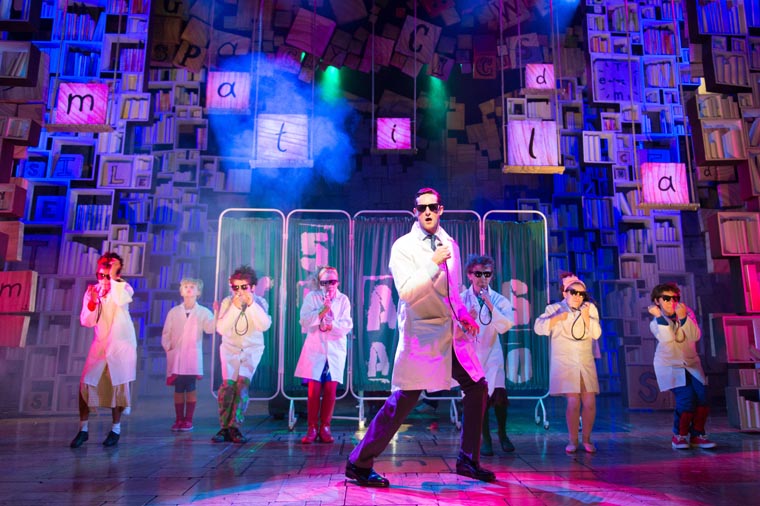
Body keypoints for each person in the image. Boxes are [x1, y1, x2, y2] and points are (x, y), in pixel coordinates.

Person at [345, 187, 493, 487]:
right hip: (422, 333)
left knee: (477, 386)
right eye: (421, 208)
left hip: (450, 333)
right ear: (415, 212)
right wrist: (432, 262)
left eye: (432, 207)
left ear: (441, 210)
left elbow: (452, 289)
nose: (427, 212)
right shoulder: (403, 246)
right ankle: (359, 463)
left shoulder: (450, 243)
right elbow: (407, 292)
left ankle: (468, 459)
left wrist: (463, 314)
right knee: (404, 398)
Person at [70, 253, 137, 448]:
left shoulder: (124, 287)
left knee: (117, 388)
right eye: (100, 275)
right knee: (86, 384)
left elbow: (120, 300)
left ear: (116, 274)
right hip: (100, 346)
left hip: (120, 345)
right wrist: (92, 302)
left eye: (108, 275)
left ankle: (115, 430)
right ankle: (83, 429)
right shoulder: (93, 291)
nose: (103, 280)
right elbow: (86, 321)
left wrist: (114, 278)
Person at [534, 273, 601, 453]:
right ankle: (573, 440)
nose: (577, 296)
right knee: (573, 402)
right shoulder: (554, 308)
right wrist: (557, 318)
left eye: (581, 293)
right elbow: (538, 327)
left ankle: (587, 439)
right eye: (573, 292)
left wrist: (586, 317)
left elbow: (596, 334)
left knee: (590, 402)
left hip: (585, 361)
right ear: (565, 293)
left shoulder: (590, 309)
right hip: (565, 362)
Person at [648, 283, 716, 450]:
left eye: (675, 298)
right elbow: (667, 339)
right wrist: (659, 316)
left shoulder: (686, 312)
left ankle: (697, 435)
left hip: (691, 363)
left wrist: (684, 317)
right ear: (657, 301)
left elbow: (695, 335)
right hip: (670, 365)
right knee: (686, 398)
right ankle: (680, 435)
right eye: (666, 298)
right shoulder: (656, 322)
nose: (672, 302)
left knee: (702, 397)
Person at [460, 254, 516, 455]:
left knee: (499, 396)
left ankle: (502, 434)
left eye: (487, 274)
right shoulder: (461, 300)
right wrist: (466, 321)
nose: (483, 278)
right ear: (470, 275)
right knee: (478, 397)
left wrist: (490, 305)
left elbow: (505, 326)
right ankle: (486, 439)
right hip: (471, 356)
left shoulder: (499, 300)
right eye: (478, 274)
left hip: (492, 353)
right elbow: (453, 330)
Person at [294, 266, 353, 444]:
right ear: (319, 283)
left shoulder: (343, 299)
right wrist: (322, 311)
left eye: (332, 282)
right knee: (313, 391)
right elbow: (304, 320)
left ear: (338, 282)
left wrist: (331, 325)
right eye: (324, 282)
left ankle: (325, 427)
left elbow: (347, 324)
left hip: (334, 350)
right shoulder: (312, 297)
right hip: (316, 349)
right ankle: (312, 427)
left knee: (330, 390)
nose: (329, 286)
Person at [213, 265, 272, 444]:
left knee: (242, 386)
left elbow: (264, 325)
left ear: (252, 287)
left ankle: (235, 426)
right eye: (235, 287)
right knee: (227, 387)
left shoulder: (260, 302)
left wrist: (251, 304)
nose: (239, 291)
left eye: (244, 287)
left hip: (251, 350)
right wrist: (235, 307)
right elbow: (221, 328)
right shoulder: (227, 302)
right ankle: (224, 427)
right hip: (230, 350)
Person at [161, 277, 215, 432]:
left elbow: (210, 329)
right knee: (178, 387)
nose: (189, 289)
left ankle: (188, 420)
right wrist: (169, 347)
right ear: (181, 291)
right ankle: (179, 419)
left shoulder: (203, 312)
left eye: (192, 287)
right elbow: (166, 332)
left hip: (192, 356)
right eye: (186, 286)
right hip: (177, 355)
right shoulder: (174, 312)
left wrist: (217, 313)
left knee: (190, 387)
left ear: (198, 292)